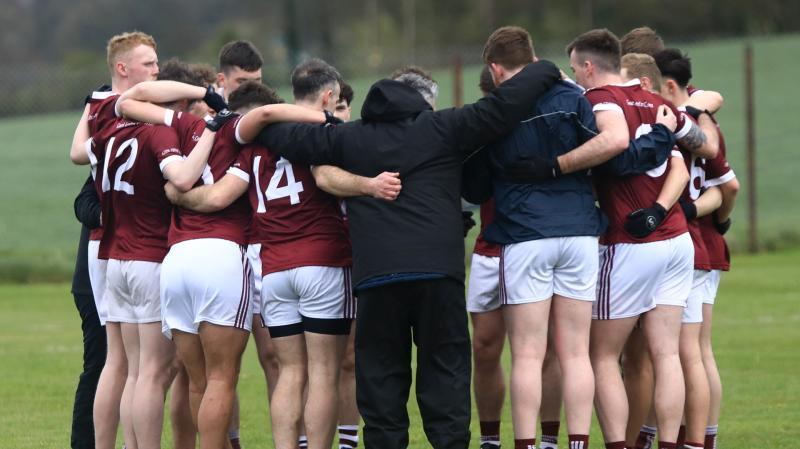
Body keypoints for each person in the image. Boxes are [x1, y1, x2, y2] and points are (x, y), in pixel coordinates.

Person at [249, 55, 562, 448]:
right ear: (419, 103)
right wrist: (545, 68)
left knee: (380, 376)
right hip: (439, 274)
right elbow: (501, 108)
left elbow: (282, 138)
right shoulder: (443, 126)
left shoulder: (350, 137)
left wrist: (247, 123)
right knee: (445, 369)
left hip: (377, 278)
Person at [566, 29, 694, 449]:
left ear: (589, 66)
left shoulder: (596, 101)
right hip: (676, 238)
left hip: (630, 242)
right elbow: (686, 155)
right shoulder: (658, 103)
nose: (576, 78)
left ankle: (618, 445)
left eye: (575, 69)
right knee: (667, 355)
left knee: (600, 355)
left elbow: (611, 160)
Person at [69, 31, 161, 449]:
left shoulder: (99, 106)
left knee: (120, 361)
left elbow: (77, 153)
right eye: (149, 63)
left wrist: (94, 111)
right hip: (129, 243)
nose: (156, 70)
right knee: (135, 363)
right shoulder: (133, 110)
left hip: (107, 245)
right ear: (123, 68)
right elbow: (76, 154)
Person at [70, 175, 107, 449]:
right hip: (92, 282)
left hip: (129, 275)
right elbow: (82, 204)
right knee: (98, 365)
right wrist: (115, 215)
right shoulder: (109, 155)